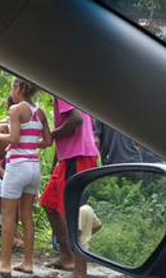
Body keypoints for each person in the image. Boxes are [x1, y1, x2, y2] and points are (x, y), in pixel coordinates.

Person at [0, 80, 52, 277]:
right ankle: (28, 263)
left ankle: (4, 265)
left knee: (8, 217)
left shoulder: (16, 109)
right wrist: (30, 144)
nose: (11, 91)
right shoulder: (39, 112)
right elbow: (48, 141)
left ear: (20, 88)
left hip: (17, 167)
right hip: (34, 168)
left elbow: (14, 138)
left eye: (13, 87)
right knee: (27, 217)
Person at [41, 98, 99, 278]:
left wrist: (52, 134)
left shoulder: (61, 92)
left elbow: (76, 120)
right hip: (71, 156)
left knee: (74, 213)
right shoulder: (73, 89)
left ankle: (80, 271)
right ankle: (66, 256)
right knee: (49, 203)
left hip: (78, 156)